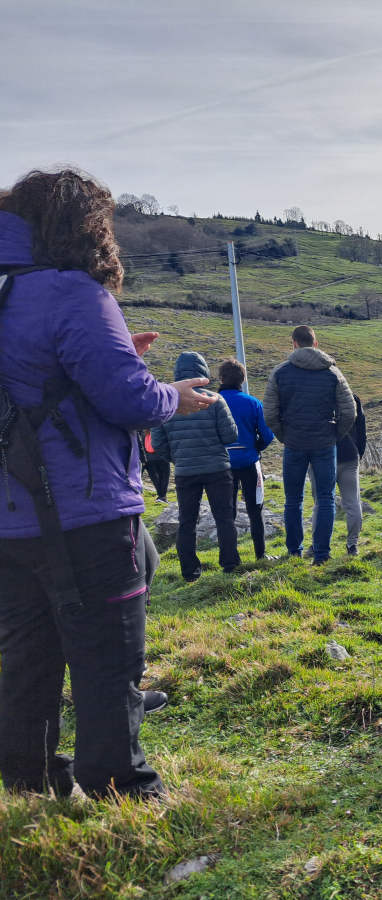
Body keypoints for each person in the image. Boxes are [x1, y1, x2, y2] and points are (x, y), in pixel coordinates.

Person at [0, 168, 214, 800]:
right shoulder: (69, 291)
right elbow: (130, 401)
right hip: (83, 508)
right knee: (107, 651)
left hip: (9, 517)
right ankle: (118, 779)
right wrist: (170, 393)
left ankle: (28, 774)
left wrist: (120, 353)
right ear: (80, 228)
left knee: (28, 651)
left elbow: (38, 379)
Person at [263, 325, 355, 565]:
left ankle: (294, 552)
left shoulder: (280, 372)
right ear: (315, 343)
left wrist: (285, 435)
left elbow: (270, 413)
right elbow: (349, 411)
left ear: (293, 343)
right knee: (325, 497)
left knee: (293, 499)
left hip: (294, 442)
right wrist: (334, 433)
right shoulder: (333, 372)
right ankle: (322, 555)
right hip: (324, 442)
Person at [150, 352, 241, 580]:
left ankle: (190, 571)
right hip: (217, 468)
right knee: (224, 517)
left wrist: (178, 457)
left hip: (185, 471)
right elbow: (231, 436)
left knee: (187, 521)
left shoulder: (168, 403)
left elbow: (158, 443)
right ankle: (230, 564)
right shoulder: (215, 400)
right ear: (203, 372)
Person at [218, 358, 274, 560]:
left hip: (221, 466)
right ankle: (261, 554)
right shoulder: (253, 403)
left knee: (226, 513)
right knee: (255, 508)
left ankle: (230, 559)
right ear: (242, 379)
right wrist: (256, 447)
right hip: (250, 462)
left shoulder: (213, 402)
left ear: (221, 378)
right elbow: (268, 434)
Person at [307, 392, 366, 555]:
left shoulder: (311, 396)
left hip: (320, 456)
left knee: (321, 502)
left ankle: (318, 545)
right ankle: (352, 544)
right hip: (348, 455)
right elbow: (361, 427)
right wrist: (358, 452)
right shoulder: (351, 397)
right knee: (353, 502)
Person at [139, 429, 172, 502]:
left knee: (155, 478)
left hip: (149, 457)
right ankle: (162, 496)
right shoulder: (159, 428)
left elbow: (141, 445)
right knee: (164, 476)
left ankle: (160, 495)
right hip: (162, 456)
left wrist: (144, 458)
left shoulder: (143, 430)